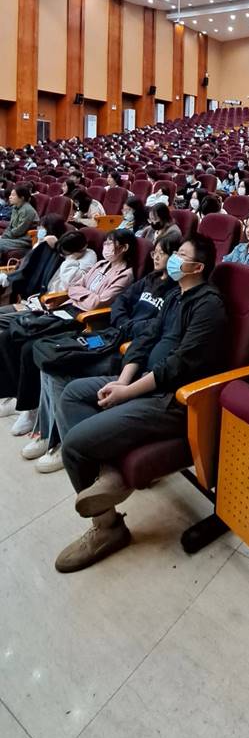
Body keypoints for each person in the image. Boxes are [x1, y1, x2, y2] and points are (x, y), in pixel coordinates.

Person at [53, 234, 228, 572]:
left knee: (74, 446)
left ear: (198, 267)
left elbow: (178, 365)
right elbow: (147, 338)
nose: (173, 259)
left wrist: (129, 392)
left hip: (171, 399)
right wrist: (122, 381)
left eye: (180, 254)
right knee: (73, 394)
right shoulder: (176, 295)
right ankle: (110, 473)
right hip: (141, 381)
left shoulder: (209, 305)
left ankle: (107, 528)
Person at [28, 234, 178, 467]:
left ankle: (64, 445)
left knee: (59, 372)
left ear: (175, 257)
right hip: (113, 335)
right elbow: (120, 303)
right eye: (154, 252)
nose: (156, 257)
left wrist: (128, 327)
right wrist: (124, 324)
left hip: (129, 352)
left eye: (162, 253)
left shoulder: (176, 293)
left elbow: (154, 328)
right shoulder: (150, 279)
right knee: (51, 360)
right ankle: (46, 434)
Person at [0, 230, 136, 437]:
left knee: (30, 348)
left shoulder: (125, 275)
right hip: (67, 309)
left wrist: (82, 295)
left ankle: (30, 409)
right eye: (106, 242)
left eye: (111, 243)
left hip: (83, 320)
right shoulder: (100, 265)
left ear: (124, 248)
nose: (106, 247)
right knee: (7, 336)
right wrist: (84, 294)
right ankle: (15, 393)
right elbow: (74, 286)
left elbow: (98, 303)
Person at [0, 185, 39, 256]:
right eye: (10, 195)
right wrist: (3, 236)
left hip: (24, 240)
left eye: (13, 195)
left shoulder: (27, 210)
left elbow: (19, 231)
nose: (10, 197)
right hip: (15, 237)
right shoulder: (15, 208)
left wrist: (3, 237)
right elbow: (10, 226)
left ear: (22, 198)